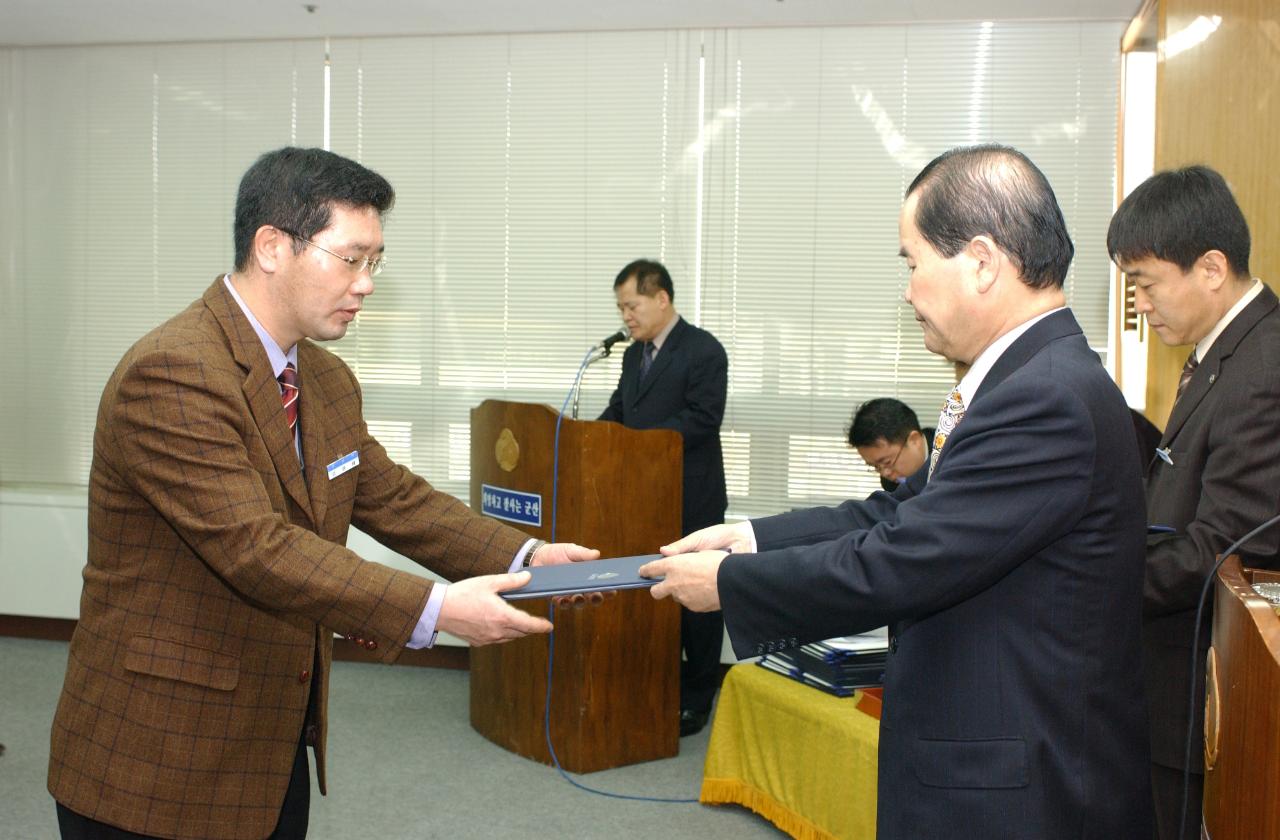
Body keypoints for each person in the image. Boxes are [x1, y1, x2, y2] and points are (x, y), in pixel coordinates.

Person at [47, 147, 599, 840]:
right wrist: (438, 610)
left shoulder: (325, 379)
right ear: (273, 247)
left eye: (376, 262)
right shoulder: (174, 371)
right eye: (352, 258)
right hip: (156, 755)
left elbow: (391, 497)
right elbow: (256, 549)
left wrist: (524, 556)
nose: (366, 283)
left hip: (271, 741)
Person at [641, 144, 1153, 839]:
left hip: (1018, 787)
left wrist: (733, 582)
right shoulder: (1026, 378)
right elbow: (899, 510)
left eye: (913, 264)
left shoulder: (1046, 397)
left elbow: (903, 558)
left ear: (981, 260)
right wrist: (751, 537)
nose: (908, 290)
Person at [1107, 164, 1280, 840]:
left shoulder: (1262, 369)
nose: (1141, 305)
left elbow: (1226, 548)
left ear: (1210, 268)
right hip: (1172, 674)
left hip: (1203, 684)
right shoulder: (1222, 351)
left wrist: (1097, 584)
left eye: (1146, 284)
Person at [599, 259, 728, 736]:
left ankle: (697, 697)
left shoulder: (703, 350)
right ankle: (658, 687)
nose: (626, 317)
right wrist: (581, 438)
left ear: (661, 299)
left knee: (697, 602)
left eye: (631, 306)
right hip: (640, 498)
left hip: (691, 497)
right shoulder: (635, 355)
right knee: (651, 592)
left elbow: (702, 419)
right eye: (620, 308)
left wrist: (638, 443)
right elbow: (619, 410)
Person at [846, 398, 933, 491]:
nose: (885, 474)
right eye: (876, 467)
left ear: (914, 441)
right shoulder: (890, 482)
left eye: (887, 462)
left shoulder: (948, 459)